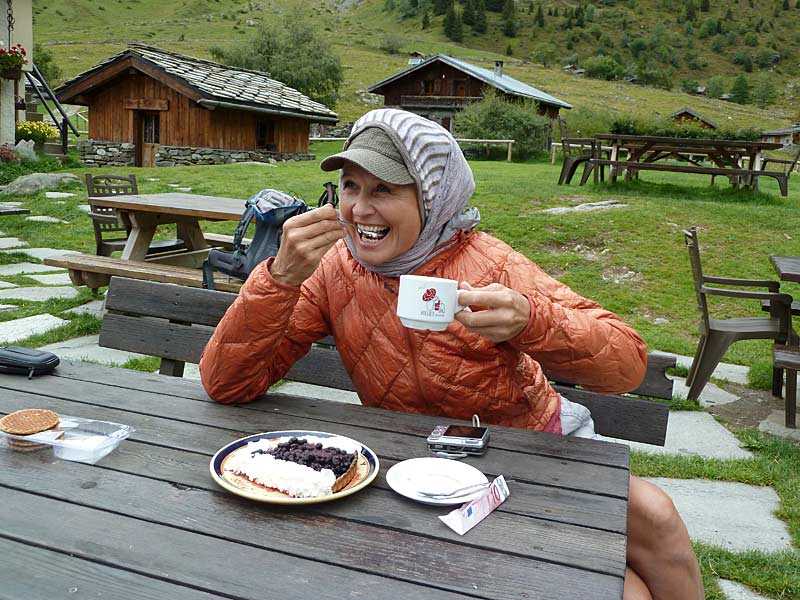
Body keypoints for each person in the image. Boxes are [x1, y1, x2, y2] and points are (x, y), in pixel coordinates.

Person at [200, 109, 704, 600]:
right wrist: (279, 278)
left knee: (656, 516)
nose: (358, 209)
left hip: (525, 453)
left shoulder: (489, 261)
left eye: (384, 190)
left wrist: (532, 320)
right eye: (351, 187)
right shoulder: (334, 268)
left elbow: (627, 363)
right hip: (406, 467)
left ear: (433, 197)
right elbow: (226, 383)